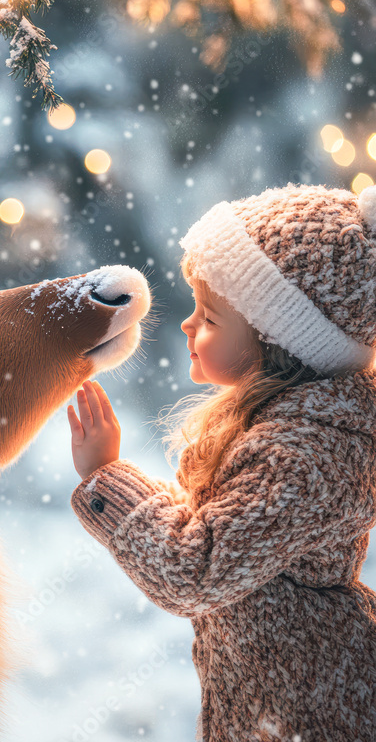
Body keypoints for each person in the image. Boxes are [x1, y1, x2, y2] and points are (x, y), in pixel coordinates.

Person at [67, 183, 376, 742]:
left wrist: (106, 480)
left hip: (311, 715)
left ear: (279, 344)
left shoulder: (302, 457)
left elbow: (197, 568)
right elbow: (223, 531)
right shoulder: (292, 434)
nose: (187, 326)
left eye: (209, 317)